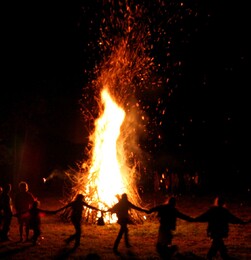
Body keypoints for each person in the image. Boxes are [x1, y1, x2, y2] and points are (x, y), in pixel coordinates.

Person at [193, 196, 250, 260]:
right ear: (223, 203)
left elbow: (203, 217)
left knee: (217, 245)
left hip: (214, 231)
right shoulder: (224, 211)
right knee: (219, 246)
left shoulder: (213, 210)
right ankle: (217, 256)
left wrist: (194, 219)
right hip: (221, 232)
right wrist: (242, 222)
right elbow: (233, 218)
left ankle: (213, 256)